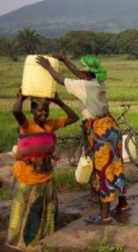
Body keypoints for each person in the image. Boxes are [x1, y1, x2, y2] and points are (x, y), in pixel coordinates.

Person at [37, 54, 129, 224]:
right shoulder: (97, 82)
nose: (78, 72)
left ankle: (105, 216)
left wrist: (47, 67)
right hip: (111, 128)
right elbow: (79, 74)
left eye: (81, 70)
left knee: (103, 171)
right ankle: (122, 203)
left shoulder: (84, 86)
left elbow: (61, 80)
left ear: (85, 73)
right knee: (115, 165)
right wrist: (64, 60)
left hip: (100, 131)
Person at [7, 91, 78, 251]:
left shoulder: (51, 125)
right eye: (39, 110)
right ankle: (23, 243)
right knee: (26, 210)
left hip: (46, 176)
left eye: (46, 110)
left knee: (45, 209)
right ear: (32, 111)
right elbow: (16, 111)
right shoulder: (26, 126)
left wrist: (59, 102)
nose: (43, 113)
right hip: (27, 177)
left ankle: (43, 239)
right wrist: (23, 96)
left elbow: (74, 118)